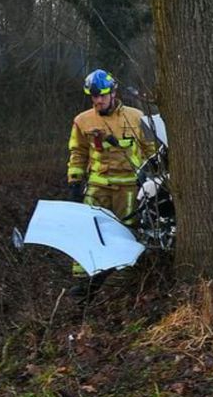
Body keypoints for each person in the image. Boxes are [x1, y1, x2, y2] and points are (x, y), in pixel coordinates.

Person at [65, 69, 158, 294]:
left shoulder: (136, 117)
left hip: (129, 187)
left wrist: (153, 178)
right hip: (97, 186)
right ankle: (85, 281)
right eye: (94, 97)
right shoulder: (82, 120)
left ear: (113, 93)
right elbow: (78, 152)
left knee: (125, 231)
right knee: (88, 229)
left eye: (102, 96)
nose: (98, 101)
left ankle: (120, 280)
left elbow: (151, 150)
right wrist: (75, 182)